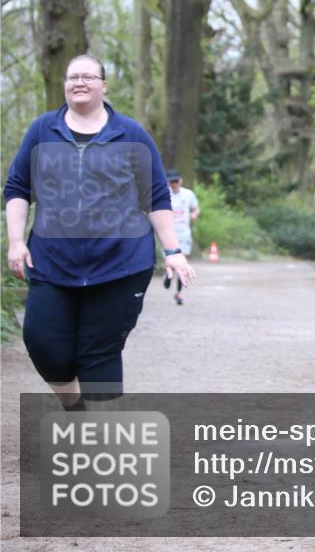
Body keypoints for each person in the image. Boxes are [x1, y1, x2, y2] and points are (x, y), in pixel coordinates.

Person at [4, 54, 196, 410]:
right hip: (51, 262)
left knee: (99, 352)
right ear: (64, 84)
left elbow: (156, 195)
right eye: (72, 76)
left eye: (88, 77)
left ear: (103, 85)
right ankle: (73, 405)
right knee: (43, 342)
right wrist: (16, 243)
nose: (79, 82)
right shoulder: (42, 130)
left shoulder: (131, 134)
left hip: (120, 264)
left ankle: (100, 443)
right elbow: (17, 188)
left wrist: (173, 251)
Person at [163, 169, 199, 305]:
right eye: (171, 182)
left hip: (184, 234)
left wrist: (194, 214)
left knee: (182, 264)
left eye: (176, 181)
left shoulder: (188, 194)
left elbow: (195, 208)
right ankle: (168, 275)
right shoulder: (165, 194)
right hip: (169, 234)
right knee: (172, 263)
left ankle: (178, 294)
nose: (174, 184)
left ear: (180, 181)